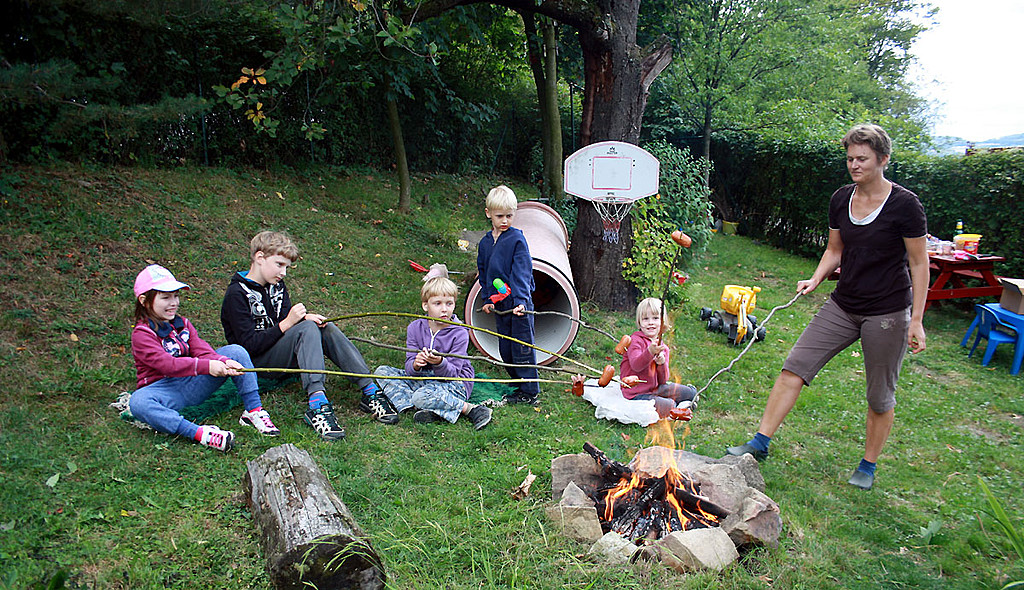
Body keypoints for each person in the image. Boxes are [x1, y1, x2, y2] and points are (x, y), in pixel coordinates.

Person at [726, 124, 928, 491]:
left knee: (879, 395)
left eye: (862, 158)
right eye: (850, 159)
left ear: (883, 159)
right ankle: (760, 442)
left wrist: (916, 320)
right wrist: (816, 278)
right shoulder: (840, 199)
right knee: (794, 366)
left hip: (886, 311)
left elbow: (919, 262)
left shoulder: (905, 205)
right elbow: (835, 249)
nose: (854, 165)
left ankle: (867, 465)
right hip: (843, 304)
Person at [221, 231, 398, 442]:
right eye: (279, 264)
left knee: (323, 326)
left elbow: (285, 322)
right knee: (306, 328)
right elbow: (249, 346)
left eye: (287, 267)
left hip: (280, 351)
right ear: (260, 257)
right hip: (256, 363)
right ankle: (317, 404)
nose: (283, 272)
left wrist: (304, 318)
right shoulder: (236, 294)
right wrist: (290, 323)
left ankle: (369, 389)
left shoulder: (277, 285)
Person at [129, 264, 279, 452]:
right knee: (138, 402)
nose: (173, 302)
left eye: (176, 296)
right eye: (165, 297)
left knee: (236, 351)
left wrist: (223, 361)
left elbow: (202, 350)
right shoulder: (142, 334)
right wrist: (208, 366)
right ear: (144, 301)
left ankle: (254, 411)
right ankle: (200, 433)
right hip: (164, 391)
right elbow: (167, 365)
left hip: (191, 385)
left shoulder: (183, 324)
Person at [373, 264, 491, 429]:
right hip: (424, 379)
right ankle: (416, 406)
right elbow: (409, 369)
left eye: (449, 304)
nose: (444, 310)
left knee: (422, 394)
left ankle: (471, 409)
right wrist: (416, 364)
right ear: (425, 305)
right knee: (382, 371)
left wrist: (439, 362)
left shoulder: (460, 333)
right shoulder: (415, 328)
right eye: (437, 303)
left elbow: (453, 374)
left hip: (454, 383)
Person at [477, 185, 540, 405]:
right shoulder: (485, 243)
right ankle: (517, 384)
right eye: (500, 216)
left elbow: (522, 272)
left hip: (518, 303)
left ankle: (530, 391)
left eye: (509, 216)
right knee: (505, 348)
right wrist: (488, 298)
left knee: (522, 347)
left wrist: (521, 301)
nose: (505, 221)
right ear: (488, 214)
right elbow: (484, 272)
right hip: (501, 304)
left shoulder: (516, 240)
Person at [619, 297, 697, 419]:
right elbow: (636, 365)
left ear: (662, 322)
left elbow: (663, 380)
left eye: (655, 318)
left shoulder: (663, 347)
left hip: (655, 388)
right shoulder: (635, 341)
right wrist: (649, 352)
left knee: (691, 393)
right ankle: (679, 407)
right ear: (639, 322)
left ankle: (688, 399)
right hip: (637, 392)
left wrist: (662, 363)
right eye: (645, 319)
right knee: (670, 405)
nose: (650, 322)